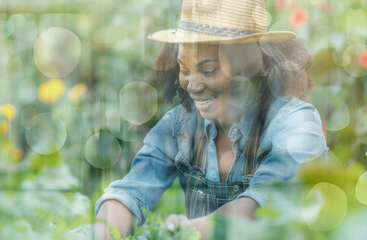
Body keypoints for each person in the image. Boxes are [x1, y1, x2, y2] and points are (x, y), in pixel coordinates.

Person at [94, 0, 329, 239]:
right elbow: (131, 192)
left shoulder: (295, 124)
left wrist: (185, 230)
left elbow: (263, 204)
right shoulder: (179, 127)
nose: (192, 85)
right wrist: (107, 230)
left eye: (208, 71)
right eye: (184, 70)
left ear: (256, 63)